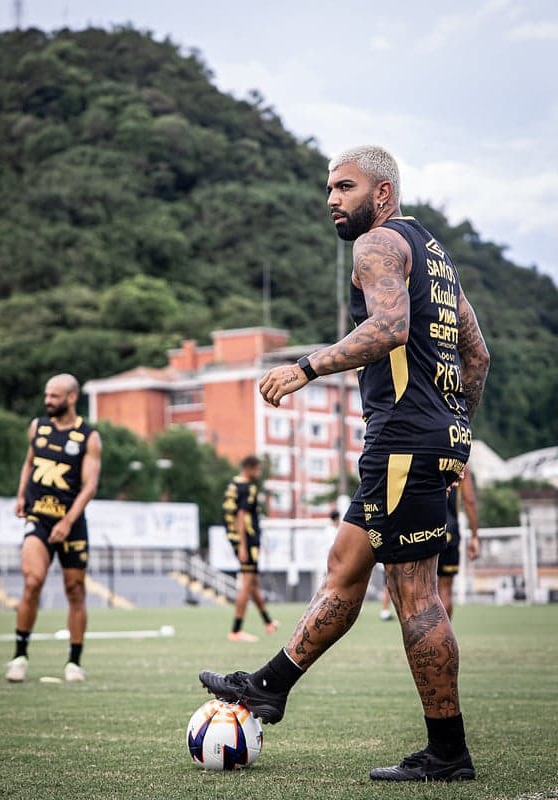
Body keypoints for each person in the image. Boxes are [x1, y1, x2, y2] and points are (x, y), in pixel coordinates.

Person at [200, 145, 490, 782]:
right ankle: (269, 687)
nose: (332, 199)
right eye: (329, 189)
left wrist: (304, 366)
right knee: (345, 567)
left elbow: (388, 329)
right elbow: (477, 356)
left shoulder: (377, 244)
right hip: (427, 439)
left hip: (403, 441)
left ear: (381, 193)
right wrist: (456, 430)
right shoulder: (435, 256)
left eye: (345, 187)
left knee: (416, 597)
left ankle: (448, 754)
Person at [6, 373, 102, 683]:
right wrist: (21, 494)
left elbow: (89, 487)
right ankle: (19, 656)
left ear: (71, 398)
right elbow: (29, 462)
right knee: (32, 581)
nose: (47, 401)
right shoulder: (37, 427)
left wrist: (67, 522)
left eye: (54, 396)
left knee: (75, 590)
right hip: (39, 518)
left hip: (71, 522)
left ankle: (74, 662)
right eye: (46, 395)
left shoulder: (88, 437)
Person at [222, 455, 278, 642]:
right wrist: (244, 546)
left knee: (253, 582)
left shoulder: (233, 484)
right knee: (247, 583)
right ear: (250, 468)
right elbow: (241, 515)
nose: (259, 473)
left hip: (236, 537)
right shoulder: (248, 487)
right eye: (258, 469)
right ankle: (236, 630)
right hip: (247, 540)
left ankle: (268, 622)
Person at [438, 465, 480, 618]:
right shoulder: (460, 462)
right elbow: (469, 501)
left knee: (420, 590)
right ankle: (442, 632)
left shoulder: (424, 455)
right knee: (445, 589)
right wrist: (475, 536)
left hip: (423, 529)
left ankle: (424, 632)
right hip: (449, 531)